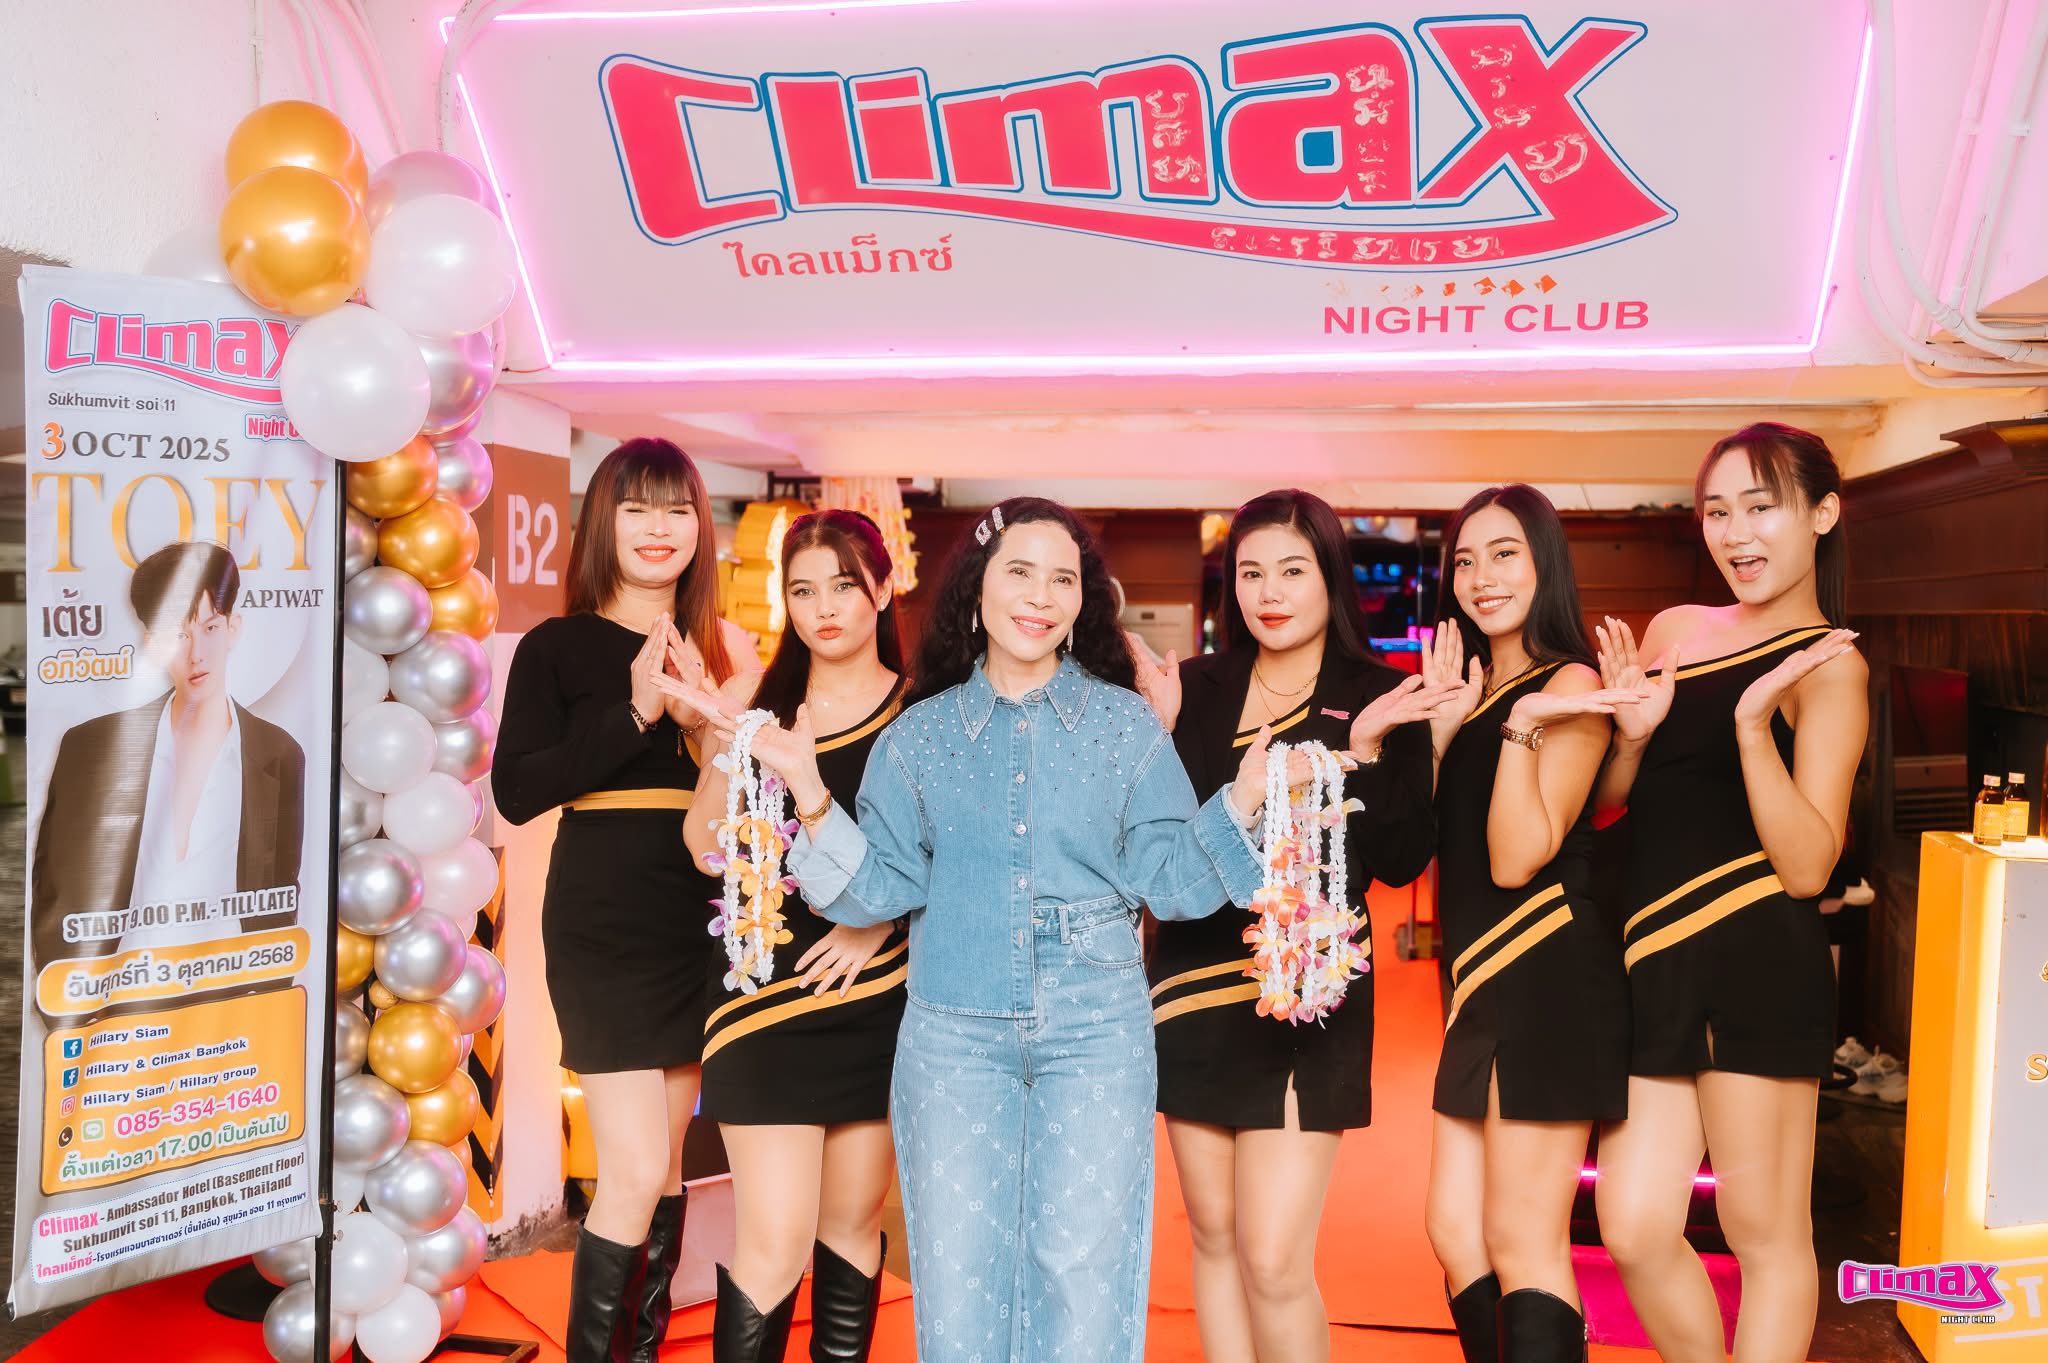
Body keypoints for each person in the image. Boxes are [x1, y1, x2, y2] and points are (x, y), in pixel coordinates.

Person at [662, 497, 1292, 1363]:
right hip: (952, 1036)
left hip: (1096, 1034)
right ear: (978, 588)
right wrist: (808, 791)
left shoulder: (1124, 725)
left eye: (1062, 579)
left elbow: (1174, 883)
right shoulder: (919, 737)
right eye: (1019, 571)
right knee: (960, 1277)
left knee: (1083, 1272)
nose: (1040, 596)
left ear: (1082, 600)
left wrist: (1243, 800)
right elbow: (876, 891)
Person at [1129, 489, 1453, 1363]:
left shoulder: (1378, 693)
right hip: (1193, 985)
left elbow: (1400, 857)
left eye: (1292, 570)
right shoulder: (1195, 688)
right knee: (1214, 1237)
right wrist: (1159, 735)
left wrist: (1371, 754)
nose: (1269, 591)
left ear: (1330, 578)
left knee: (1273, 1257)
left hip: (1307, 996)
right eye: (1251, 572)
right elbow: (1164, 847)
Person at [1592, 423, 1865, 1363]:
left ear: (1822, 514)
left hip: (1759, 968)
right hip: (1655, 961)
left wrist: (1754, 728)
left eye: (1761, 506)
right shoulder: (1676, 630)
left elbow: (1808, 865)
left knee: (1766, 1234)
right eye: (1718, 511)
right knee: (1631, 1223)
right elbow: (1616, 804)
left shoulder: (1830, 665)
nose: (1736, 532)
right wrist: (1630, 737)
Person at [494, 438, 758, 1363]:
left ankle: (638, 1351)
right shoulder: (556, 646)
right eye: (637, 507)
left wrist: (714, 725)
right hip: (602, 915)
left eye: (678, 509)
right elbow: (518, 790)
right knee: (636, 1167)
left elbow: (745, 799)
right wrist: (638, 711)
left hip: (697, 916)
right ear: (602, 522)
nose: (659, 528)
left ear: (699, 528)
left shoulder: (725, 648)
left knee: (669, 1167)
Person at [1418, 486, 1642, 1362]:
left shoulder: (1572, 682)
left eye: (1504, 553)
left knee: (1521, 1237)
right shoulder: (1480, 691)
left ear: (1545, 560)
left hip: (1547, 972)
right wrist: (1444, 735)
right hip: (1479, 982)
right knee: (1454, 1230)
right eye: (1466, 560)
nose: (1482, 576)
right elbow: (1445, 845)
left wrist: (1518, 725)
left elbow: (1517, 857)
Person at [682, 511, 907, 1362]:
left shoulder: (922, 711)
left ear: (883, 587)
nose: (825, 608)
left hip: (876, 997)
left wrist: (876, 921)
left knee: (851, 1226)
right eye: (804, 590)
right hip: (762, 999)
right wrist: (727, 746)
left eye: (845, 585)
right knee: (774, 1242)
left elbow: (953, 858)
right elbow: (699, 843)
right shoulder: (757, 704)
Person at [32, 540, 303, 976]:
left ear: (233, 628)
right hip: (121, 993)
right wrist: (72, 1000)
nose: (196, 654)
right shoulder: (92, 747)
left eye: (210, 628)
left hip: (232, 995)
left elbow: (280, 893)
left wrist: (267, 991)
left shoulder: (279, 753)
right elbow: (56, 887)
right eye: (178, 634)